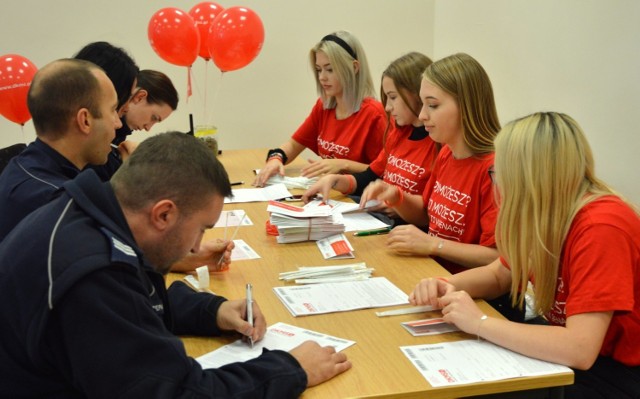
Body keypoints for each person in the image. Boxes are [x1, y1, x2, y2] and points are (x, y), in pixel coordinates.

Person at [0, 132, 351, 397]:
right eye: (200, 228)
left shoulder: (86, 214)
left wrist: (210, 310)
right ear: (164, 213)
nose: (197, 245)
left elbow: (129, 302)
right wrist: (292, 369)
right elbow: (177, 392)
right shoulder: (93, 273)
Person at [409, 112, 640, 398]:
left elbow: (580, 349)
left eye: (499, 171)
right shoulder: (546, 210)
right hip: (582, 358)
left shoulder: (601, 227)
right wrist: (448, 285)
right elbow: (500, 274)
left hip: (617, 372)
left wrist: (479, 323)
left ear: (526, 175)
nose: (497, 181)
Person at [361, 53, 500, 274]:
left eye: (433, 105)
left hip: (476, 293)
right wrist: (397, 196)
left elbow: (497, 258)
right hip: (433, 271)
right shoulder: (446, 153)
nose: (423, 115)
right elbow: (426, 213)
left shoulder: (494, 169)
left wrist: (434, 244)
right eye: (423, 104)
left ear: (467, 106)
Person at [302, 52, 439, 226]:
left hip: (407, 228)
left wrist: (399, 203)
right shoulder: (399, 132)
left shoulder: (439, 144)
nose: (388, 107)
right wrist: (335, 180)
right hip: (384, 221)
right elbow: (371, 175)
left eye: (393, 97)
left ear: (416, 93)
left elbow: (431, 210)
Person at [0, 58, 122, 242]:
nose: (118, 123)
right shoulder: (59, 203)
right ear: (85, 120)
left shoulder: (21, 167)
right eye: (113, 110)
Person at [254, 30, 386, 187]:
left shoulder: (374, 115)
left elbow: (386, 173)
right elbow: (293, 145)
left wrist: (344, 165)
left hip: (358, 200)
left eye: (330, 69)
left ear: (354, 68)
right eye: (319, 69)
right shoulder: (323, 107)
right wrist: (276, 159)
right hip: (330, 194)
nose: (322, 77)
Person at [89, 69, 179, 181]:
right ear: (139, 97)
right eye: (154, 118)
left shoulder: (118, 140)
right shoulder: (99, 137)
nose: (148, 128)